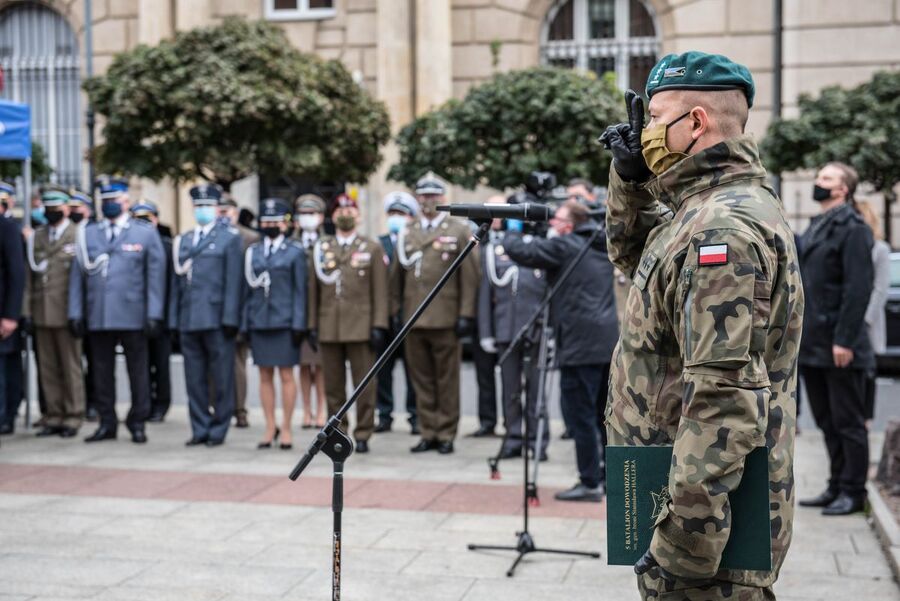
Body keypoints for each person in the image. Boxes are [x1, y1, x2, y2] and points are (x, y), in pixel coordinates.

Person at [600, 51, 804, 599]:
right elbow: (636, 262)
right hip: (679, 495)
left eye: (655, 118)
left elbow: (723, 399)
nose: (645, 131)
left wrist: (684, 544)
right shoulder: (701, 209)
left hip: (705, 534)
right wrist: (630, 180)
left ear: (696, 122)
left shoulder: (721, 229)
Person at [504, 200, 617, 499]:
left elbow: (521, 252)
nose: (552, 224)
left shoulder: (566, 246)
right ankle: (610, 478)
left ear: (569, 225)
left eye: (556, 220)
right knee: (602, 416)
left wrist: (513, 226)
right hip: (606, 342)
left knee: (579, 416)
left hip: (578, 344)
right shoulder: (600, 244)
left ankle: (589, 482)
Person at [798, 162, 874, 516]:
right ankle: (836, 484)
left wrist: (844, 340)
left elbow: (858, 290)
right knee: (827, 422)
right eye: (819, 177)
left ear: (843, 189)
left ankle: (854, 491)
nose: (818, 182)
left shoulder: (854, 229)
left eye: (826, 178)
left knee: (849, 423)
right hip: (813, 343)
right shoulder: (817, 225)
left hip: (840, 345)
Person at [69, 176, 166, 444]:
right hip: (99, 314)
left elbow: (155, 277)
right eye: (106, 200)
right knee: (101, 372)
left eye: (114, 200)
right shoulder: (88, 233)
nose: (110, 204)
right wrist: (75, 312)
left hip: (133, 314)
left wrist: (154, 313)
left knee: (138, 371)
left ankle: (137, 421)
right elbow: (78, 276)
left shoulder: (144, 233)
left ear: (126, 201)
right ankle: (107, 422)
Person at [390, 173, 479, 455]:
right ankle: (427, 430)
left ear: (442, 197)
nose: (428, 200)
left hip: (446, 316)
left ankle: (446, 433)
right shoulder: (408, 230)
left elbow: (470, 275)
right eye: (424, 195)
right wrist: (395, 312)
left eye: (433, 195)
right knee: (421, 379)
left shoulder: (458, 229)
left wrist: (466, 314)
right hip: (414, 318)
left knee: (447, 379)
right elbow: (396, 277)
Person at [308, 194, 388, 453]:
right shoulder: (322, 248)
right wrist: (312, 324)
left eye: (350, 211)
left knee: (364, 385)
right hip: (329, 325)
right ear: (332, 217)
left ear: (359, 216)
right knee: (333, 386)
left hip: (361, 326)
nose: (345, 215)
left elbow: (380, 290)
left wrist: (379, 324)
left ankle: (364, 432)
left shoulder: (371, 248)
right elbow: (313, 290)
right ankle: (337, 432)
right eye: (340, 211)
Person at [170, 184, 243, 447]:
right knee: (194, 378)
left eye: (207, 206)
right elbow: (177, 284)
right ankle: (199, 427)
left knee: (222, 378)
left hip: (217, 318)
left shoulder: (229, 238)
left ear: (215, 208)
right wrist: (173, 320)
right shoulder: (185, 239)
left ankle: (219, 428)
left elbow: (234, 282)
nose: (202, 210)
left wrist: (231, 318)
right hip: (189, 318)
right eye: (199, 206)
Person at [478, 195, 548, 459]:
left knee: (536, 391)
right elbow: (485, 294)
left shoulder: (542, 247)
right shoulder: (494, 250)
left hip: (536, 330)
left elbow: (549, 293)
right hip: (505, 328)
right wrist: (486, 332)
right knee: (510, 390)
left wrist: (552, 331)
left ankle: (537, 442)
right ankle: (513, 438)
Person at [243, 198, 307, 450]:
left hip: (285, 321)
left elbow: (300, 290)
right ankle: (270, 426)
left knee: (287, 375)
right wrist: (245, 322)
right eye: (266, 221)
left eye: (275, 221)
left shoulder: (295, 251)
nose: (270, 225)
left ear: (285, 224)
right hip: (259, 320)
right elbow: (247, 290)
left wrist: (299, 323)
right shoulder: (254, 251)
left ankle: (287, 427)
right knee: (264, 375)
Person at [22, 189, 85, 438]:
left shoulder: (78, 235)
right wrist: (26, 312)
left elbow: (82, 279)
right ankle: (54, 413)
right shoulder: (37, 237)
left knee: (70, 367)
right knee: (47, 368)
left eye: (55, 208)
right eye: (47, 209)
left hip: (67, 312)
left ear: (67, 208)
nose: (50, 213)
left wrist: (79, 313)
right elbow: (29, 280)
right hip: (42, 312)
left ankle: (74, 414)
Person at [375, 192, 418, 435]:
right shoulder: (378, 244)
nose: (396, 218)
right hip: (384, 318)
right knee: (383, 371)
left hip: (409, 316)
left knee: (414, 371)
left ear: (410, 217)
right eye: (392, 213)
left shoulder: (414, 242)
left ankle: (415, 415)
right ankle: (384, 414)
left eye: (401, 214)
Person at [217, 196, 259, 428]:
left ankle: (240, 410)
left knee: (237, 364)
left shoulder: (250, 238)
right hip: (214, 311)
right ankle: (217, 408)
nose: (223, 215)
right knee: (214, 365)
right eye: (220, 210)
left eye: (228, 211)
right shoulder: (209, 236)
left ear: (235, 212)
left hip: (240, 309)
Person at [131, 200, 173, 424]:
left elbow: (171, 284)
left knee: (161, 363)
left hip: (161, 316)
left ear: (156, 220)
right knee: (141, 365)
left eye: (147, 219)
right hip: (137, 316)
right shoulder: (128, 245)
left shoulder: (167, 246)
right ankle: (143, 404)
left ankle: (161, 403)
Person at [294, 194, 328, 429]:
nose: (308, 218)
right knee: (304, 364)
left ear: (321, 217)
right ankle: (306, 410)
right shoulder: (292, 243)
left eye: (312, 213)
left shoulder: (328, 243)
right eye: (304, 214)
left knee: (322, 364)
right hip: (299, 311)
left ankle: (321, 410)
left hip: (322, 311)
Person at [856, 200, 891, 426]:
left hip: (867, 324)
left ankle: (866, 425)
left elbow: (881, 289)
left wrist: (865, 320)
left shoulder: (880, 249)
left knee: (867, 376)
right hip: (852, 322)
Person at [0, 182, 25, 446]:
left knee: (5, 367)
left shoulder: (7, 228)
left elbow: (16, 274)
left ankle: (6, 415)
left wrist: (10, 315)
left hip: (2, 312)